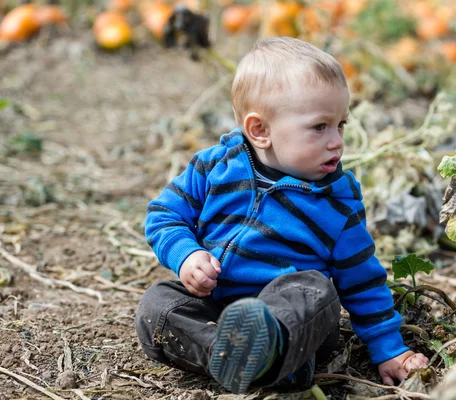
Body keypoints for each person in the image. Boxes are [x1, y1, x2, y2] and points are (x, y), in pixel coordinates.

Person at [135, 36, 429, 394]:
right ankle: (232, 357)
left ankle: (274, 351)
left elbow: (362, 280)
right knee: (158, 305)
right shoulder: (215, 166)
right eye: (320, 127)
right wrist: (186, 255)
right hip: (217, 307)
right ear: (260, 130)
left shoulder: (336, 200)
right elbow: (164, 213)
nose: (336, 140)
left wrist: (390, 349)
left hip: (293, 320)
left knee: (314, 291)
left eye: (341, 125)